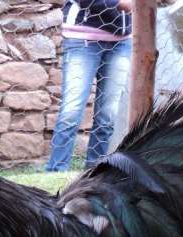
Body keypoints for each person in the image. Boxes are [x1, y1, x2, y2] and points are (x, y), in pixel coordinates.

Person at [45, 0, 132, 172]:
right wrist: (120, 4)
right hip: (83, 38)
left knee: (107, 117)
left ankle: (94, 174)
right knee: (71, 112)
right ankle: (56, 173)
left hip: (121, 42)